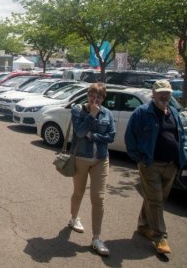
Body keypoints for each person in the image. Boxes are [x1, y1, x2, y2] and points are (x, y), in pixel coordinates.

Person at [125, 80, 186, 254]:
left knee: (156, 199)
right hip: (150, 164)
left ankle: (144, 226)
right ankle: (160, 237)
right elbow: (130, 138)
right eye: (160, 93)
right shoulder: (142, 113)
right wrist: (140, 159)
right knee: (156, 200)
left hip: (172, 165)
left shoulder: (173, 112)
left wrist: (181, 157)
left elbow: (180, 136)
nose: (164, 96)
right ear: (153, 93)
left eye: (167, 92)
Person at [68, 83, 115, 256]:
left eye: (99, 97)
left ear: (103, 98)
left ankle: (96, 238)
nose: (95, 100)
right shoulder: (77, 110)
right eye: (92, 96)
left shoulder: (107, 113)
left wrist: (93, 136)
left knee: (98, 198)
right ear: (87, 95)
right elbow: (79, 133)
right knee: (78, 192)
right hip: (81, 157)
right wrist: (91, 116)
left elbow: (111, 136)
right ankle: (74, 219)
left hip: (101, 159)